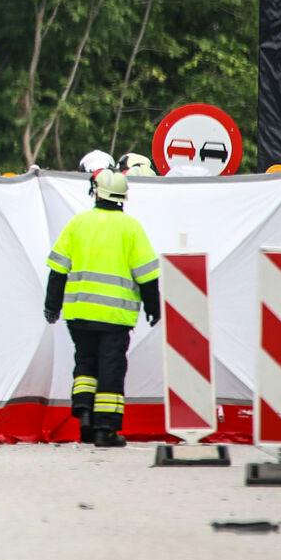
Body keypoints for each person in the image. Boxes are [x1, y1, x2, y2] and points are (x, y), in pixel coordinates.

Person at [44, 168, 161, 447]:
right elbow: (146, 275)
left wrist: (52, 306)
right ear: (122, 196)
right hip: (115, 317)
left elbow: (57, 270)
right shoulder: (131, 228)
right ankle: (105, 429)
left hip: (79, 314)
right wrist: (153, 307)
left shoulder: (77, 224)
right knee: (111, 367)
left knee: (85, 363)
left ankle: (84, 414)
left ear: (96, 191)